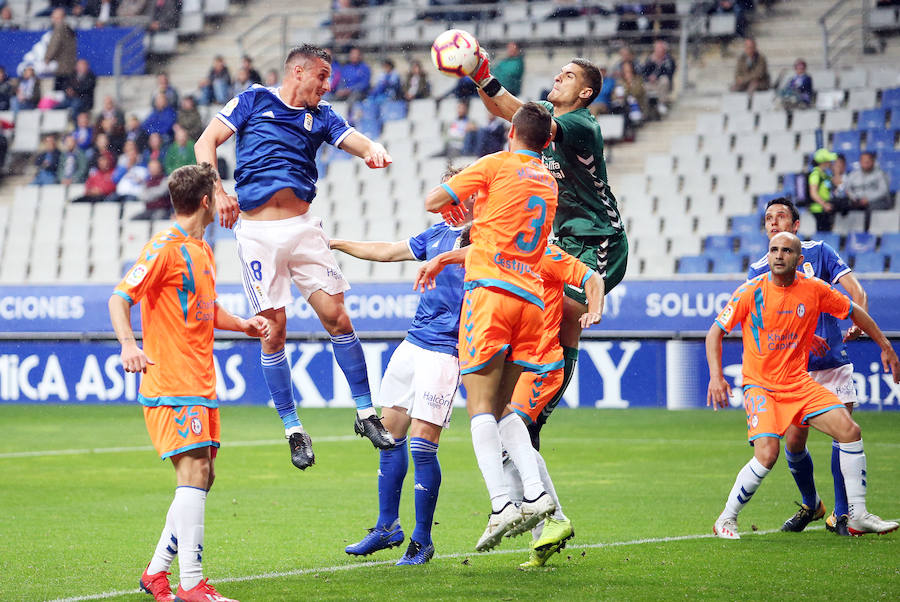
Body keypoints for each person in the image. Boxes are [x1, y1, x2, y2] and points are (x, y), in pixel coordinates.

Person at [194, 44, 395, 468]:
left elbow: (354, 139)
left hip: (303, 229)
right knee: (273, 332)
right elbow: (206, 141)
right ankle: (293, 428)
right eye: (322, 76)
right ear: (298, 72)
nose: (327, 85)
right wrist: (217, 190)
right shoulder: (253, 100)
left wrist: (372, 148)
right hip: (258, 235)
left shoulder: (321, 116)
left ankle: (365, 414)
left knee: (338, 318)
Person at [109, 162, 269, 602]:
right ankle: (192, 584)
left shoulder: (201, 250)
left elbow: (207, 310)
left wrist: (244, 325)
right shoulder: (163, 248)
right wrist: (128, 345)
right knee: (195, 472)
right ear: (205, 200)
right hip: (170, 381)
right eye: (218, 195)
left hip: (201, 381)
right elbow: (120, 298)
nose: (223, 202)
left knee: (204, 475)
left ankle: (156, 573)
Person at [464, 48, 628, 448]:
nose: (559, 77)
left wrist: (485, 76)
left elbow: (523, 115)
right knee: (540, 319)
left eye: (569, 76)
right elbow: (510, 112)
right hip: (562, 237)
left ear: (586, 93)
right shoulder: (542, 115)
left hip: (599, 237)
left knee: (567, 313)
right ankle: (521, 411)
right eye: (560, 71)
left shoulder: (580, 125)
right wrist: (480, 75)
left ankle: (537, 416)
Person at [422, 102, 560, 552]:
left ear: (511, 132)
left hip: (491, 295)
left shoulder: (495, 164)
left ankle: (502, 503)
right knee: (504, 410)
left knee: (479, 406)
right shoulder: (549, 181)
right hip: (531, 301)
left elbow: (434, 201)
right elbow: (509, 227)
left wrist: (467, 194)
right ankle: (537, 497)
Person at [416, 241, 604, 567]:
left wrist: (595, 309)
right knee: (510, 441)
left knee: (501, 427)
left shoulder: (543, 252)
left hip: (540, 366)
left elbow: (593, 278)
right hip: (520, 358)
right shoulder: (495, 252)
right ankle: (539, 526)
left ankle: (539, 512)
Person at [707, 231, 900, 539]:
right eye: (774, 250)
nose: (779, 255)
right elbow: (715, 332)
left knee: (850, 431)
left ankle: (857, 515)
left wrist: (886, 346)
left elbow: (855, 311)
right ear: (768, 255)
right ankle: (726, 519)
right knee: (768, 453)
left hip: (798, 384)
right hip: (761, 387)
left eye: (786, 250)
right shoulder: (750, 291)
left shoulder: (814, 289)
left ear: (799, 259)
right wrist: (716, 377)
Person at [334, 171, 473, 566]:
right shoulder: (434, 234)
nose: (444, 202)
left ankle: (422, 540)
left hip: (446, 352)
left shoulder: (487, 238)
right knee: (389, 438)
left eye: (451, 195)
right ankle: (386, 527)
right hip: (412, 346)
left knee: (422, 446)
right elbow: (387, 251)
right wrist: (336, 243)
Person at [748, 197, 870, 535]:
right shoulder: (758, 270)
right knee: (794, 445)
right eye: (768, 218)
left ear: (796, 225)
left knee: (843, 431)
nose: (773, 222)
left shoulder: (820, 252)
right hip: (793, 370)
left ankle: (842, 514)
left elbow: (855, 291)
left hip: (830, 361)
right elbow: (760, 324)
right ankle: (812, 504)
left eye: (781, 216)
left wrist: (858, 319)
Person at [845, 151, 892, 231]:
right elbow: (847, 188)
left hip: (877, 201)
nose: (865, 164)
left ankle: (866, 233)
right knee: (844, 205)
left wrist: (868, 199)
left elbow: (883, 191)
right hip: (859, 200)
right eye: (863, 162)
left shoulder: (880, 174)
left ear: (873, 162)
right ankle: (846, 233)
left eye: (867, 162)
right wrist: (854, 197)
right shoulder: (854, 174)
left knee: (868, 208)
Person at [639, 39, 676, 116]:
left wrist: (658, 73)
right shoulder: (649, 59)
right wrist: (651, 63)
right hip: (651, 84)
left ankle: (662, 103)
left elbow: (669, 72)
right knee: (642, 87)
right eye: (657, 49)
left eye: (660, 49)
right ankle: (644, 111)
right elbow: (644, 72)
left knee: (664, 80)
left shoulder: (669, 60)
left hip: (662, 83)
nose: (658, 52)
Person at [44, 7, 77, 91]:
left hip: (61, 67)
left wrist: (48, 58)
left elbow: (55, 44)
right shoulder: (68, 28)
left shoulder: (59, 28)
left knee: (58, 94)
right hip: (69, 66)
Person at [808, 148, 837, 232]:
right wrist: (824, 204)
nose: (830, 163)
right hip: (819, 209)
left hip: (824, 209)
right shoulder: (815, 174)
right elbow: (813, 193)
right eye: (828, 161)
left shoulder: (824, 174)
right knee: (822, 234)